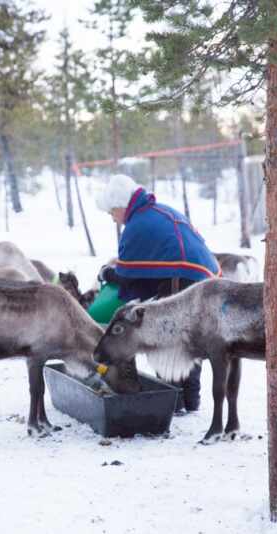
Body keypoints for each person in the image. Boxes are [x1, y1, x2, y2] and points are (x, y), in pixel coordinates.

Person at [94, 174, 221, 413]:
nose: (113, 219)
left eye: (111, 212)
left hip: (182, 280)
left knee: (165, 339)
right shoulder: (158, 212)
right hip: (204, 280)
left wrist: (107, 274)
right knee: (189, 339)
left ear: (121, 205)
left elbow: (129, 276)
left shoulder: (137, 224)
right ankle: (189, 401)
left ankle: (171, 401)